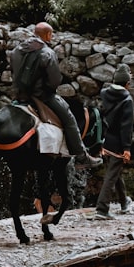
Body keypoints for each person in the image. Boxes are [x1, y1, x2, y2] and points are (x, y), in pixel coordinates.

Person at [9, 22, 103, 168]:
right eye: (51, 34)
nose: (51, 37)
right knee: (69, 119)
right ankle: (81, 156)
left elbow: (14, 72)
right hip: (41, 97)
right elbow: (54, 82)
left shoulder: (17, 50)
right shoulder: (48, 53)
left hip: (18, 95)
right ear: (47, 35)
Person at [95, 63, 134, 219]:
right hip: (118, 143)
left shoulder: (104, 93)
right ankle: (102, 209)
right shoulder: (127, 100)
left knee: (115, 172)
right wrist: (127, 148)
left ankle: (124, 202)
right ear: (127, 83)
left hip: (105, 141)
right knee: (112, 175)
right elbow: (126, 127)